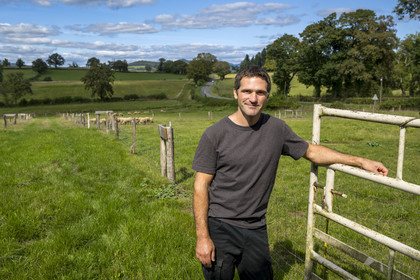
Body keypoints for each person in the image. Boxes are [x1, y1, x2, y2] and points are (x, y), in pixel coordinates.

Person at [192, 66, 388, 280]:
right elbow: (200, 186)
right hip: (221, 226)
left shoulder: (276, 129)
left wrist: (360, 161)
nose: (253, 98)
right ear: (235, 93)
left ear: (267, 96)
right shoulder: (214, 134)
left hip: (256, 226)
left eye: (260, 92)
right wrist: (203, 237)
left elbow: (311, 151)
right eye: (247, 91)